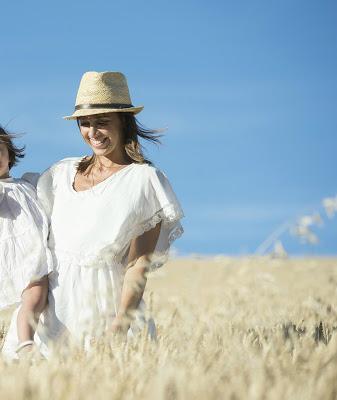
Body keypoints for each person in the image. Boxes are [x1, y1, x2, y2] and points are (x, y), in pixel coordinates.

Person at [2, 71, 185, 359]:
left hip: (103, 314)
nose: (93, 132)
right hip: (50, 313)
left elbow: (138, 265)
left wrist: (120, 326)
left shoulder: (145, 180)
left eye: (102, 123)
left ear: (124, 123)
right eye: (84, 123)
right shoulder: (61, 173)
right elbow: (16, 202)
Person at [0, 127, 52, 359]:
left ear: (10, 155)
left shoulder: (27, 184)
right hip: (9, 255)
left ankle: (25, 342)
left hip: (34, 252)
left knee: (35, 296)